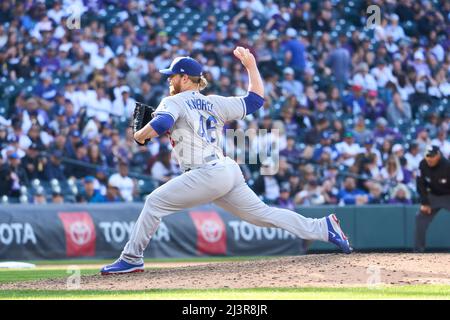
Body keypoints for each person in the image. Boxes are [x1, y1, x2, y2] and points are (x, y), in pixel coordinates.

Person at [101, 49, 352, 275]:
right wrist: (251, 66)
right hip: (227, 171)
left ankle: (131, 258)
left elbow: (163, 123)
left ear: (185, 78)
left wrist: (139, 135)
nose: (169, 79)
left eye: (173, 75)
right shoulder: (214, 102)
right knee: (263, 214)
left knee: (154, 202)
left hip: (205, 173)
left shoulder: (172, 101)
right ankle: (323, 227)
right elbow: (255, 101)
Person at [415, 145, 450, 252]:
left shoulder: (447, 165)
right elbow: (420, 184)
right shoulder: (422, 164)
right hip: (433, 196)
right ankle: (418, 250)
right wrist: (425, 202)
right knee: (420, 218)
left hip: (448, 195)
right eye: (428, 156)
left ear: (438, 155)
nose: (430, 158)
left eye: (432, 156)